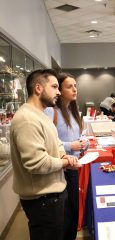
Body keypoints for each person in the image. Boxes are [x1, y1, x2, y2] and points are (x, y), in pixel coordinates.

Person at [10, 69, 80, 240]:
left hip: (53, 195)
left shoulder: (41, 115)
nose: (58, 92)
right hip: (43, 200)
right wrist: (65, 163)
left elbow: (56, 143)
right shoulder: (26, 119)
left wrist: (64, 156)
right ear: (38, 88)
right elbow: (36, 163)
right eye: (55, 87)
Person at [45, 72, 88, 240]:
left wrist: (84, 142)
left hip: (75, 166)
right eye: (69, 86)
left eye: (75, 86)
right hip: (62, 168)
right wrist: (71, 145)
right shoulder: (51, 111)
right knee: (65, 216)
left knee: (73, 213)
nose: (74, 89)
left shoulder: (74, 111)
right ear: (60, 91)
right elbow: (50, 142)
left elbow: (77, 136)